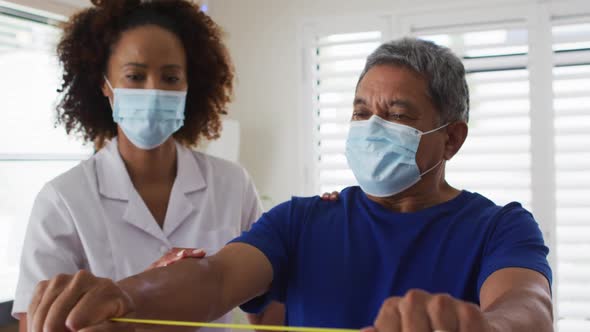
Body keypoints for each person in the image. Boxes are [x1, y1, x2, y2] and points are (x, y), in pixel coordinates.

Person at [25, 38, 553, 332]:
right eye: (361, 112)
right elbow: (214, 281)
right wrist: (120, 294)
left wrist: (481, 329)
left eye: (395, 115)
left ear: (451, 139)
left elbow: (527, 308)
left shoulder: (499, 227)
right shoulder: (303, 220)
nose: (371, 128)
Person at [12, 0, 287, 331]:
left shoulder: (231, 183)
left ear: (189, 85)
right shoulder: (63, 199)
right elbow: (38, 321)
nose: (154, 90)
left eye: (170, 77)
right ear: (104, 84)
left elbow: (267, 304)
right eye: (135, 76)